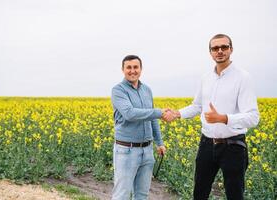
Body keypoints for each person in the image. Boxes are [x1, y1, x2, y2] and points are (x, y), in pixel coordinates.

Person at [169, 34, 259, 199]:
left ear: (231, 49)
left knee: (235, 195)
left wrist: (224, 118)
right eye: (215, 48)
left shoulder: (242, 77)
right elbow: (197, 106)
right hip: (206, 145)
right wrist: (178, 114)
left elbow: (253, 117)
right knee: (199, 192)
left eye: (224, 47)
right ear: (210, 52)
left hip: (233, 146)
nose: (219, 51)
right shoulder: (205, 78)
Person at [111, 55, 172, 200]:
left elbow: (151, 118)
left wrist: (159, 142)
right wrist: (159, 112)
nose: (132, 71)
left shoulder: (147, 90)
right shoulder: (118, 90)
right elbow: (130, 114)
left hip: (147, 150)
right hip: (127, 151)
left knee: (142, 196)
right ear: (123, 70)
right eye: (129, 67)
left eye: (135, 67)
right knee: (122, 195)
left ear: (141, 69)